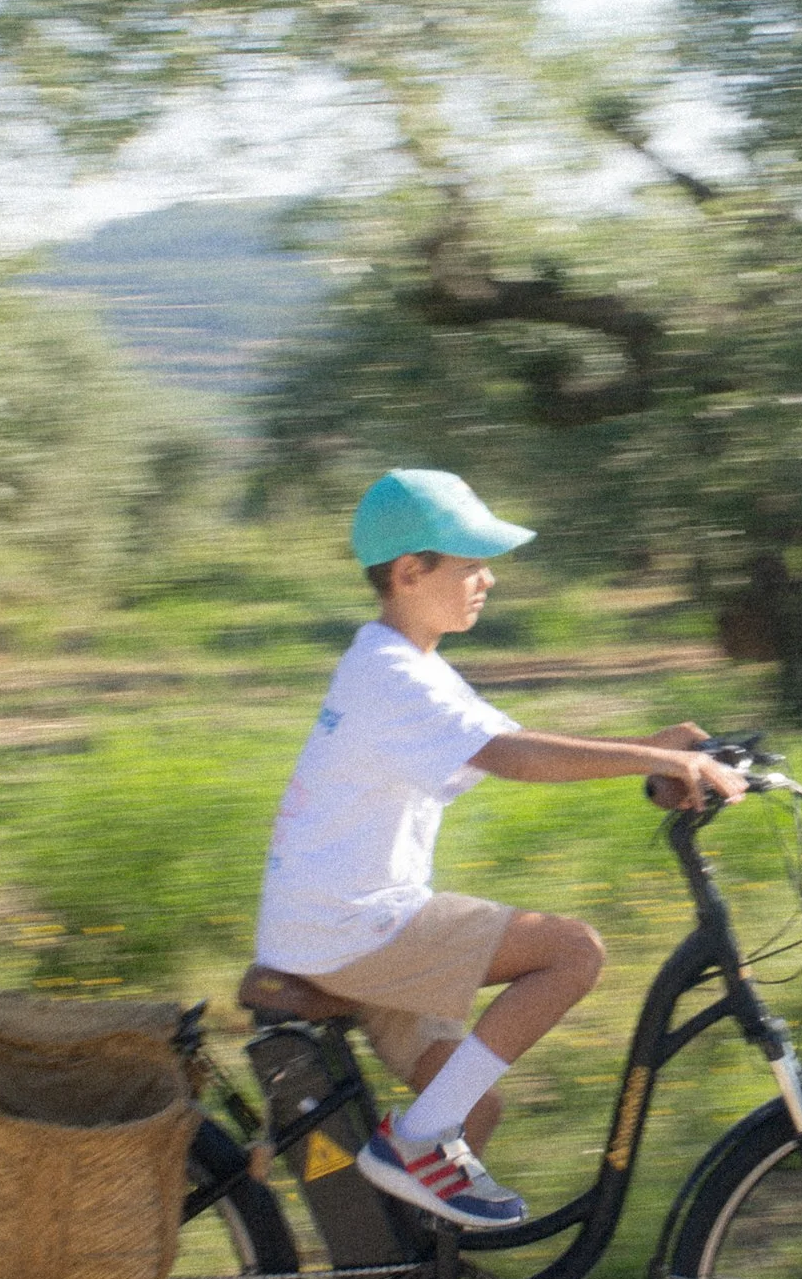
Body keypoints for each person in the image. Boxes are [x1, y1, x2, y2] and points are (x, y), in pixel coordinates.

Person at [253, 466, 747, 1233]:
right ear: (411, 572)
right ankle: (414, 1143)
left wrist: (657, 746)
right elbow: (514, 759)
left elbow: (517, 744)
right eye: (471, 564)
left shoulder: (412, 666)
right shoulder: (389, 676)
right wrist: (655, 763)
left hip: (345, 926)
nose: (488, 580)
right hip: (352, 927)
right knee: (571, 953)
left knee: (471, 1107)